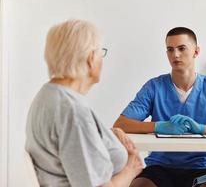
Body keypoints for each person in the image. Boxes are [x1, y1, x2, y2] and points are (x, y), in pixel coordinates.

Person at [113, 27, 206, 187]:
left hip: (201, 168)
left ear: (196, 51)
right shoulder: (154, 87)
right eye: (170, 50)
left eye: (181, 48)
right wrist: (158, 126)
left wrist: (202, 128)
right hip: (159, 167)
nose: (175, 55)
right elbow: (121, 124)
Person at [25, 19, 143, 187]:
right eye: (100, 53)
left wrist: (105, 136)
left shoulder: (47, 95)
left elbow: (70, 144)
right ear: (90, 58)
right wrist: (131, 170)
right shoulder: (72, 112)